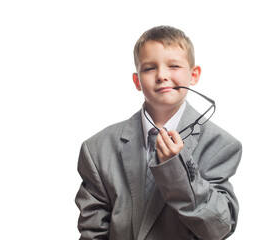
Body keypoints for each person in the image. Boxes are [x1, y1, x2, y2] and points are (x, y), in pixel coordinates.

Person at [75, 25, 242, 240]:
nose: (162, 75)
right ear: (137, 81)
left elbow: (218, 227)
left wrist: (177, 170)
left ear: (194, 75)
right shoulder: (97, 149)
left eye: (173, 66)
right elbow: (93, 231)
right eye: (149, 68)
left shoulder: (221, 145)